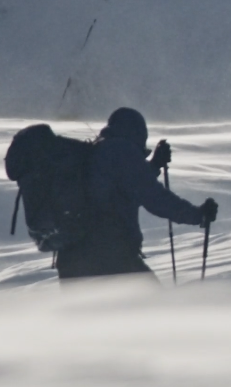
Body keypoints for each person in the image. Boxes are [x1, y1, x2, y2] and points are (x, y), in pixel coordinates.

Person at [56, 107, 218, 281]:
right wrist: (197, 215)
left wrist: (154, 165)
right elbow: (154, 198)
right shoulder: (122, 150)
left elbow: (123, 187)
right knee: (151, 305)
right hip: (109, 258)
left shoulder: (96, 151)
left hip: (71, 261)